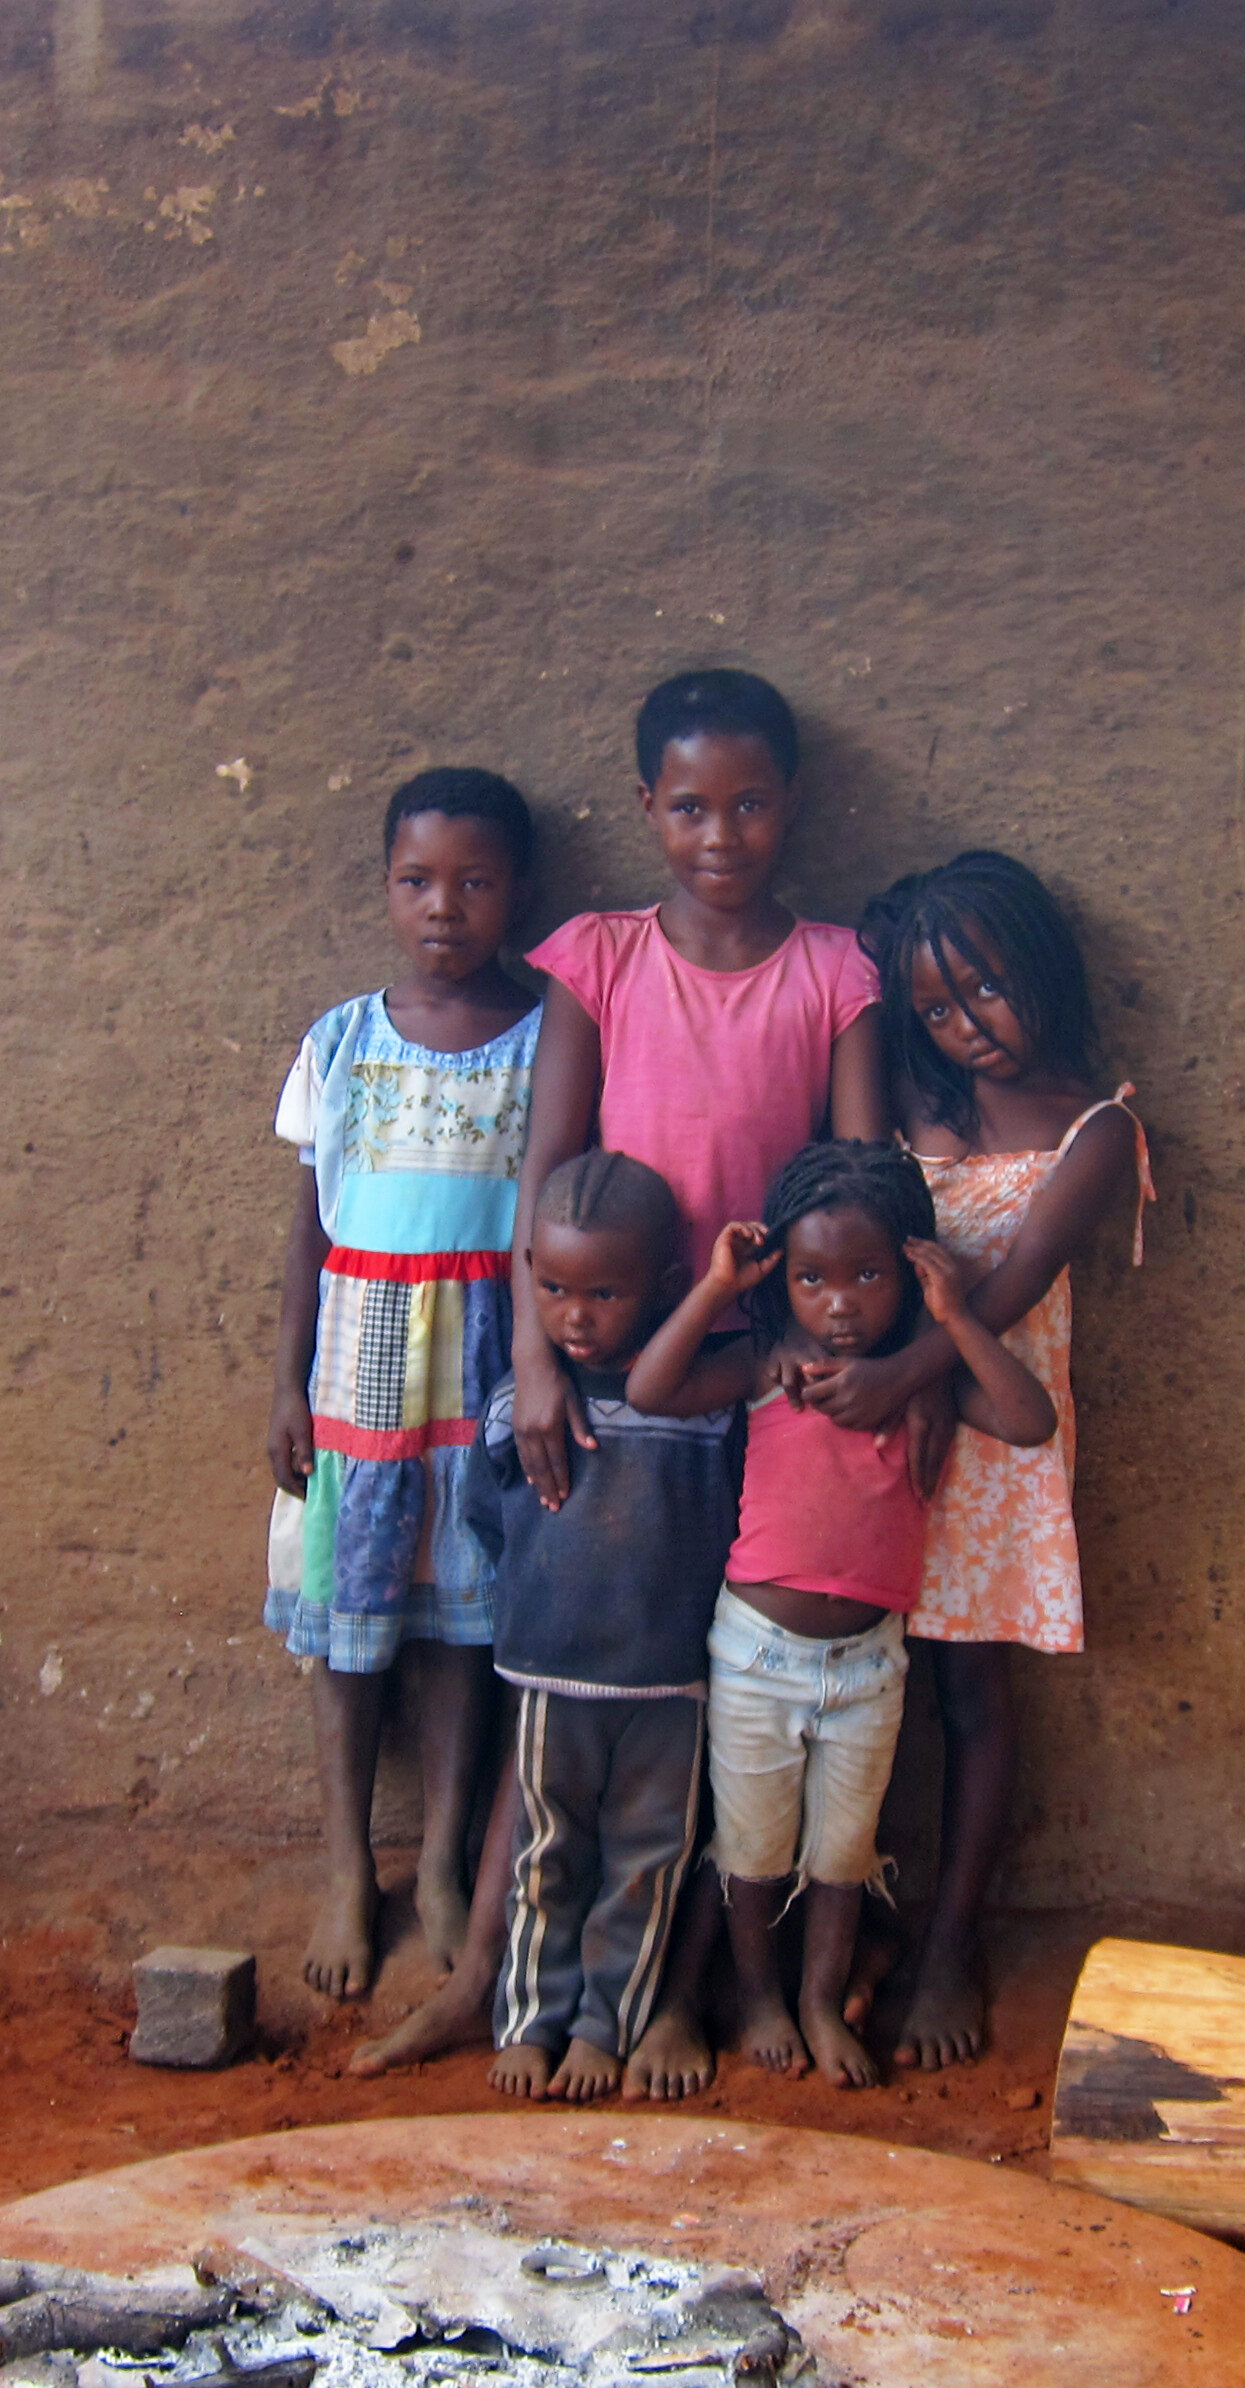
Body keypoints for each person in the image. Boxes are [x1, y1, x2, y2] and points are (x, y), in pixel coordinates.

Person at [494, 667, 899, 2089]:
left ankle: (699, 1991)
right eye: (688, 806)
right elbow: (541, 1176)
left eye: (749, 804)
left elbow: (857, 1185)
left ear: (792, 807)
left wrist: (818, 1343)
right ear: (644, 810)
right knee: (606, 1677)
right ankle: (578, 1985)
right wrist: (539, 1362)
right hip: (614, 1375)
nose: (720, 834)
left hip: (769, 1376)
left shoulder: (840, 972)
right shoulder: (596, 958)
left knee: (726, 1691)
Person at [626, 1140, 1056, 2086]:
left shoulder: (918, 1386)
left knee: (843, 1853)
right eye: (814, 1278)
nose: (840, 1302)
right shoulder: (768, 1364)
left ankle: (819, 2000)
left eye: (868, 1276)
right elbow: (650, 1386)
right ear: (786, 1280)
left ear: (911, 1268)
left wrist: (950, 1325)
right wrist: (715, 1290)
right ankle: (761, 1997)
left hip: (869, 1666)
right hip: (754, 1655)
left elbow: (1031, 1420)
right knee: (750, 1849)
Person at [844, 851, 1149, 2068]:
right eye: (936, 1009)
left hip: (991, 1432)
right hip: (882, 1430)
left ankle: (951, 1941)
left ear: (1044, 969)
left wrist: (896, 1385)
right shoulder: (914, 1105)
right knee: (860, 1690)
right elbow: (854, 1216)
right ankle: (850, 1927)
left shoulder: (1098, 1129)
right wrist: (881, 1397)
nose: (969, 1030)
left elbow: (1011, 1295)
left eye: (988, 991)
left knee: (969, 1697)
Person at [264, 768, 541, 1999]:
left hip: (484, 1356)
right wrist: (283, 1388)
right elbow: (305, 1228)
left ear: (516, 893)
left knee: (460, 1624)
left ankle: (437, 1863)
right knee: (352, 1625)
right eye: (418, 881)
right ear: (384, 888)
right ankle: (343, 1867)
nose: (446, 908)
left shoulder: (545, 1039)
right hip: (359, 1363)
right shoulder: (342, 1040)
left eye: (476, 882)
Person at [466, 1152, 741, 2102]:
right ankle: (528, 2021)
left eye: (604, 1293)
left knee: (644, 1863)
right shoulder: (519, 1409)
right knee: (546, 1854)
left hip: (670, 1683)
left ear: (666, 1285)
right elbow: (483, 1517)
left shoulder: (707, 1409)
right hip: (552, 1675)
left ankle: (605, 2025)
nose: (574, 1316)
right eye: (552, 1288)